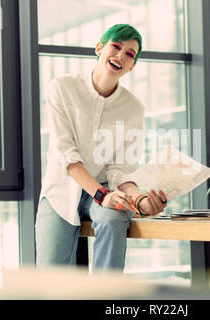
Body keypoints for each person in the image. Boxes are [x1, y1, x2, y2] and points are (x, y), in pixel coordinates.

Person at [35, 24, 168, 272]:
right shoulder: (62, 87)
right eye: (116, 47)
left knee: (114, 217)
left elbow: (121, 170)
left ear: (132, 66)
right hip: (60, 192)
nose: (120, 55)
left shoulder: (133, 108)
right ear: (99, 48)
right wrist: (102, 195)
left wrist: (141, 202)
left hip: (106, 191)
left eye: (130, 54)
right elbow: (68, 157)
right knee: (49, 281)